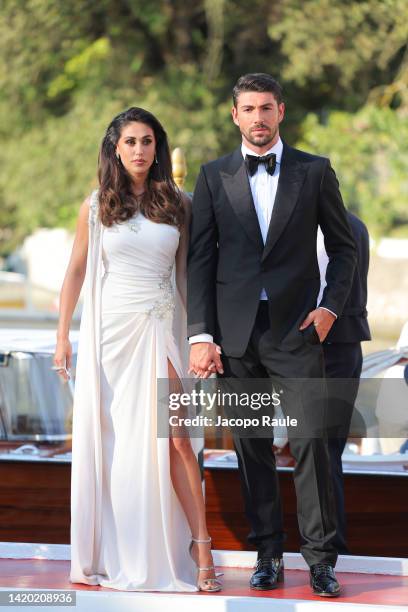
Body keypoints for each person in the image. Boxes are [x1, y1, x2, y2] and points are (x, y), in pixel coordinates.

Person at [187, 73, 356, 597]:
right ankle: (267, 555)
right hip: (236, 338)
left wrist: (329, 309)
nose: (258, 118)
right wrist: (200, 334)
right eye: (248, 109)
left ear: (281, 111)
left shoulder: (315, 170)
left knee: (312, 446)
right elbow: (200, 260)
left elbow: (345, 248)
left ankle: (321, 561)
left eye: (266, 108)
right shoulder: (213, 176)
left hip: (298, 332)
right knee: (252, 449)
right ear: (234, 115)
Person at [53, 107, 222, 592]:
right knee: (117, 445)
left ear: (158, 146)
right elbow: (76, 272)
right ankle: (118, 550)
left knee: (177, 440)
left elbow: (194, 277)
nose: (140, 150)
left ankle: (201, 544)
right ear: (115, 148)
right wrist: (63, 336)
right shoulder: (96, 205)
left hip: (160, 330)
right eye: (130, 141)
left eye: (147, 141)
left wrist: (202, 338)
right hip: (109, 340)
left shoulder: (179, 203)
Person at [317, 211, 371, 554]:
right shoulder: (356, 224)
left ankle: (329, 547)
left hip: (332, 349)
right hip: (346, 349)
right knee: (325, 450)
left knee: (322, 450)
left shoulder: (337, 229)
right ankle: (328, 544)